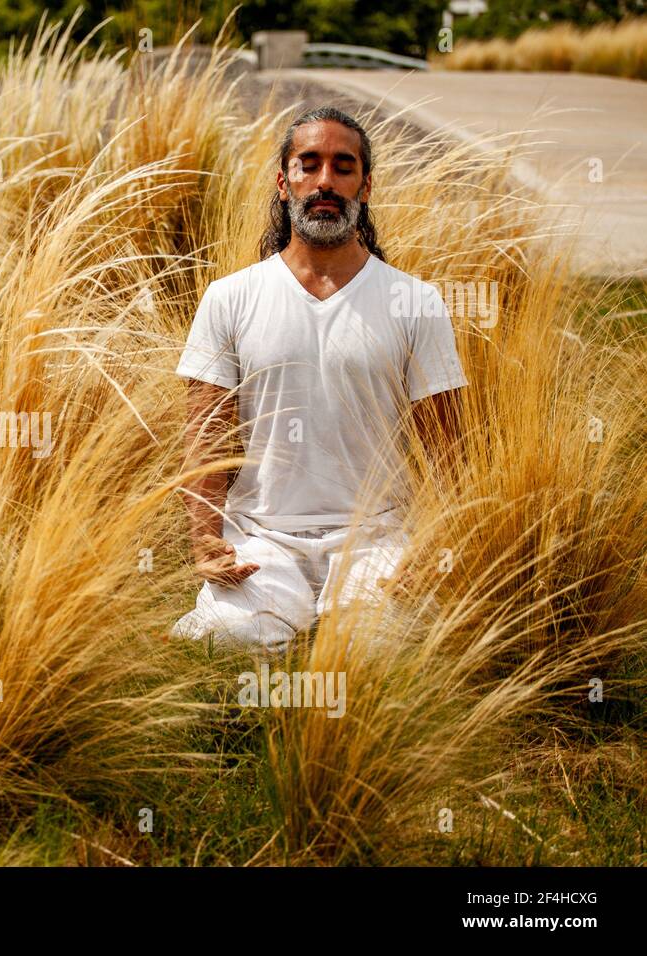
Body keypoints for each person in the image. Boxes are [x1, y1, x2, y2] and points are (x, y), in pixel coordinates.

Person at [172, 106, 467, 654]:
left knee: (376, 654)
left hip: (379, 537)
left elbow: (449, 447)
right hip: (261, 537)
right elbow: (205, 433)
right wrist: (205, 538)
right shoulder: (230, 298)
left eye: (343, 166)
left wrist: (435, 545)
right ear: (285, 183)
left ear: (366, 185)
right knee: (229, 642)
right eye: (309, 165)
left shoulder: (416, 303)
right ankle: (265, 620)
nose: (325, 181)